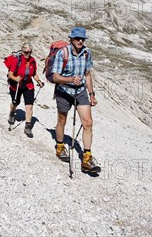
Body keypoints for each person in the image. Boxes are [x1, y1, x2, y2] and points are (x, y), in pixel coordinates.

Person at [51, 27, 101, 173]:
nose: (80, 41)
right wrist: (71, 79)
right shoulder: (63, 53)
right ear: (71, 39)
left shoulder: (87, 53)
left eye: (82, 39)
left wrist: (91, 94)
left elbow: (88, 74)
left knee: (88, 123)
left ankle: (87, 157)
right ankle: (60, 146)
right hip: (64, 91)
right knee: (62, 121)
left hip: (80, 92)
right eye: (77, 38)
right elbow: (55, 77)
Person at [7, 42, 45, 137]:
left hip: (28, 85)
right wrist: (16, 79)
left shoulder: (32, 61)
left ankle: (28, 127)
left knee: (29, 106)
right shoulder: (17, 60)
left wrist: (39, 81)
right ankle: (12, 113)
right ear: (22, 51)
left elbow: (34, 73)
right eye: (26, 52)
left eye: (29, 52)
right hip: (16, 85)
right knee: (15, 102)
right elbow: (10, 74)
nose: (28, 54)